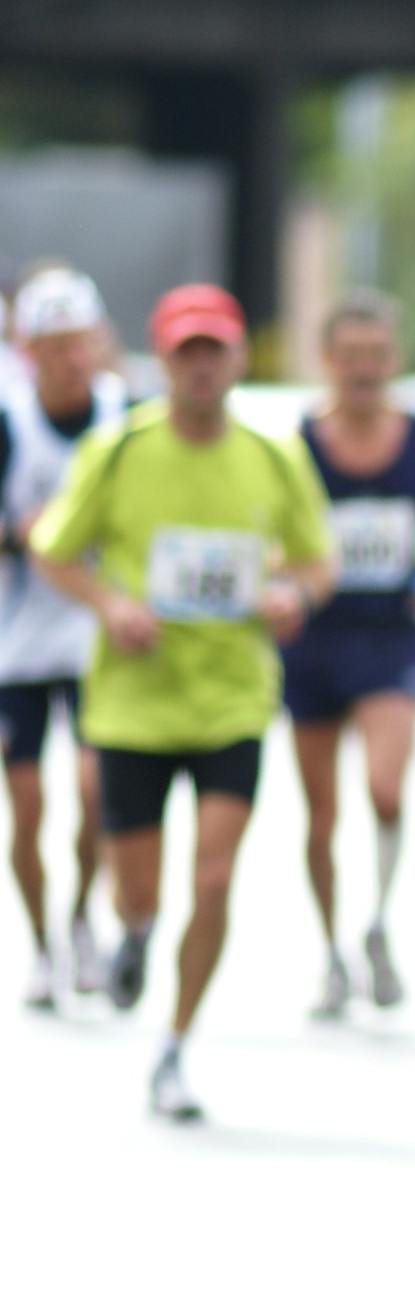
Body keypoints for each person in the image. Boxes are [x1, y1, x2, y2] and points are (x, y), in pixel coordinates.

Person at [30, 283, 335, 1120]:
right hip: (135, 702)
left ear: (237, 358)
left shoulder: (274, 455)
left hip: (232, 698)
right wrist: (110, 605)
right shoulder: (120, 449)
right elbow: (52, 548)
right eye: (185, 351)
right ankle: (133, 933)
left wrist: (294, 599)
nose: (201, 367)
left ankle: (174, 1041)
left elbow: (318, 559)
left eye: (216, 350)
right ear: (161, 361)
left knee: (215, 872)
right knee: (144, 890)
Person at [284, 290, 415, 1019]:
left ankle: (378, 921)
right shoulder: (298, 442)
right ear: (328, 360)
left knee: (386, 786)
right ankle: (330, 948)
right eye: (351, 357)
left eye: (377, 357)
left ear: (394, 361)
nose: (365, 371)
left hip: (390, 631)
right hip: (314, 635)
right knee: (320, 810)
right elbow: (268, 520)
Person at [0, 267, 126, 1007]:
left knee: (93, 787)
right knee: (27, 801)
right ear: (29, 351)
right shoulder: (11, 422)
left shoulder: (124, 416)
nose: (68, 361)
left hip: (99, 631)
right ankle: (42, 939)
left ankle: (81, 916)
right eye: (52, 348)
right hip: (19, 636)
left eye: (78, 345)